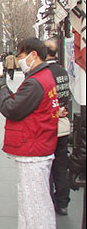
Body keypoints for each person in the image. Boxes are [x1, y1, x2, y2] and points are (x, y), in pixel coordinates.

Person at [0, 37, 61, 229]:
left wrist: (1, 87)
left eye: (21, 56)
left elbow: (12, 108)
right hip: (37, 146)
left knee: (37, 206)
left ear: (33, 54)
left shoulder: (36, 81)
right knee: (29, 201)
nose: (20, 60)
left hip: (33, 148)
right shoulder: (42, 77)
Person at [44, 39, 71, 216]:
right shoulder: (63, 71)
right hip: (63, 125)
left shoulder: (44, 74)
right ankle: (62, 202)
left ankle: (49, 200)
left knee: (47, 165)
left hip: (48, 126)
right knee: (61, 165)